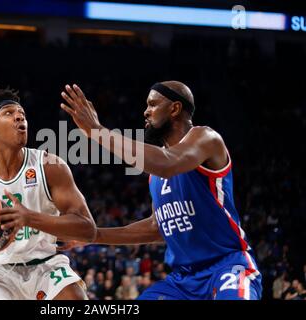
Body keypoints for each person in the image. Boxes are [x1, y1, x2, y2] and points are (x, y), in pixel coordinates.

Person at [59, 82, 262, 300]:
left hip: (226, 266)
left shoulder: (206, 138)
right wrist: (93, 235)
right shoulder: (155, 176)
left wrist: (97, 131)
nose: (145, 111)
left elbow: (167, 163)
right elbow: (157, 228)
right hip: (182, 281)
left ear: (175, 109)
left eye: (153, 104)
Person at [0, 87, 97, 300]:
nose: (19, 116)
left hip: (45, 267)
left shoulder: (50, 166)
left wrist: (29, 218)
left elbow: (88, 229)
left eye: (22, 114)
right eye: (8, 113)